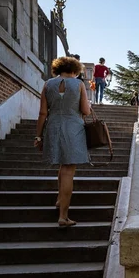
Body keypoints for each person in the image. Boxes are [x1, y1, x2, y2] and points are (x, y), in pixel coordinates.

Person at [34, 56, 92, 227]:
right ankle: (63, 217)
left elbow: (43, 113)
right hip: (73, 128)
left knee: (61, 165)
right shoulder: (79, 84)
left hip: (53, 127)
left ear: (58, 69)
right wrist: (87, 105)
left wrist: (38, 136)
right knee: (68, 170)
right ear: (74, 70)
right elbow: (85, 111)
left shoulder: (47, 84)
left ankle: (60, 199)